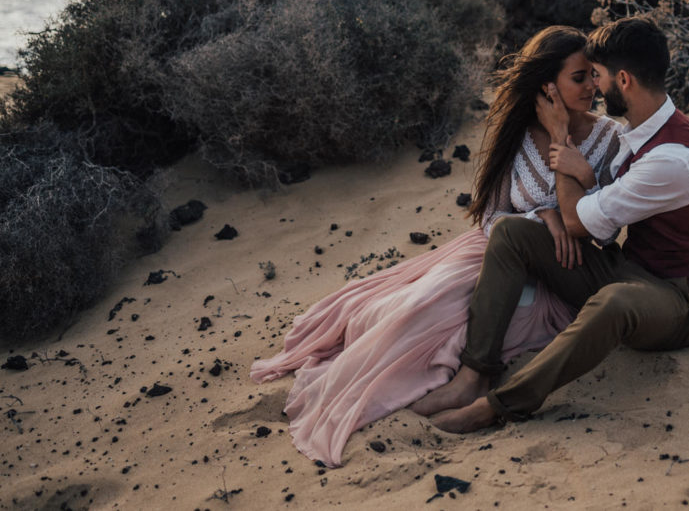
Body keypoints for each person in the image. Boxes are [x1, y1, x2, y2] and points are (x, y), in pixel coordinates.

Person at [250, 26, 622, 466]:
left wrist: (579, 172)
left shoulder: (610, 139)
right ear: (548, 85)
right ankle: (423, 373)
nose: (592, 87)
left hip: (555, 273)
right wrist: (540, 216)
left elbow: (605, 232)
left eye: (592, 76)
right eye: (579, 78)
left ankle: (469, 378)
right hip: (489, 250)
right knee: (406, 306)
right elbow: (491, 216)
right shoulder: (520, 134)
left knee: (446, 315)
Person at [413, 16, 689, 433]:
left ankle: (500, 405)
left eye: (597, 75)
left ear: (624, 80)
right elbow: (564, 221)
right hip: (627, 269)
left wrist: (560, 140)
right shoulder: (642, 134)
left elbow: (579, 222)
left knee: (613, 301)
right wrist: (548, 209)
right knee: (510, 232)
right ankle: (475, 374)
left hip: (676, 300)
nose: (595, 86)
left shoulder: (672, 160)